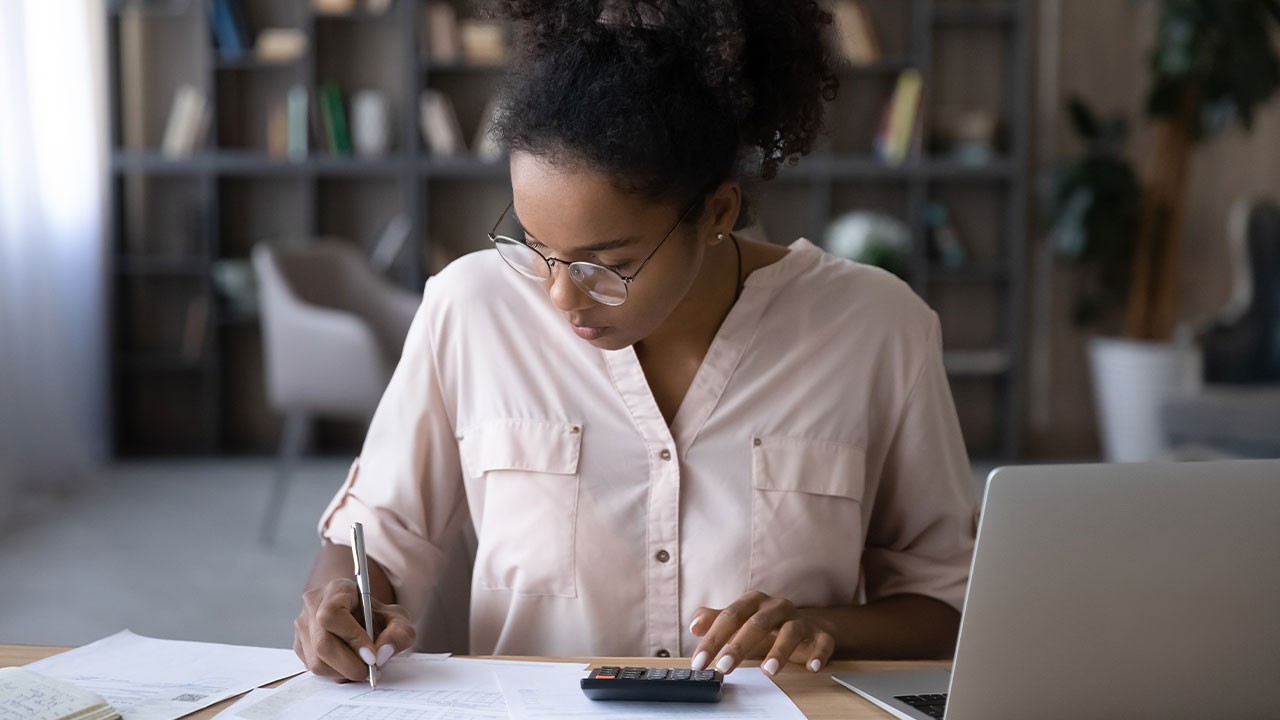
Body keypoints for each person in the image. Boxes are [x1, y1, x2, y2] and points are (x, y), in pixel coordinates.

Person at [293, 0, 977, 683]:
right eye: (535, 248)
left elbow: (950, 602)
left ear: (718, 212)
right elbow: (373, 543)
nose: (561, 295)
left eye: (608, 264)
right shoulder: (470, 311)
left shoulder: (876, 328)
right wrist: (342, 604)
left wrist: (827, 625)